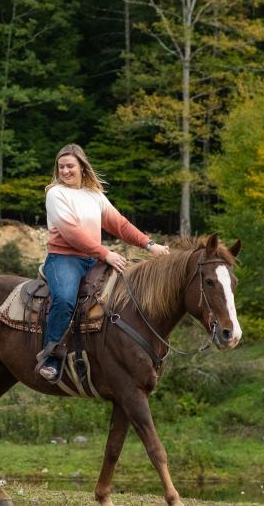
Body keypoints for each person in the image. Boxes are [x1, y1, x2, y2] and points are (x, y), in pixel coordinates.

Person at [37, 143, 169, 383]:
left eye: (70, 166)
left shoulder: (94, 195)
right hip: (64, 259)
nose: (65, 171)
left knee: (125, 295)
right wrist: (105, 253)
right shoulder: (56, 194)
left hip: (93, 259)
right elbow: (71, 233)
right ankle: (51, 357)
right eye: (61, 167)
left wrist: (150, 245)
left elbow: (120, 225)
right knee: (65, 299)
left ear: (82, 167)